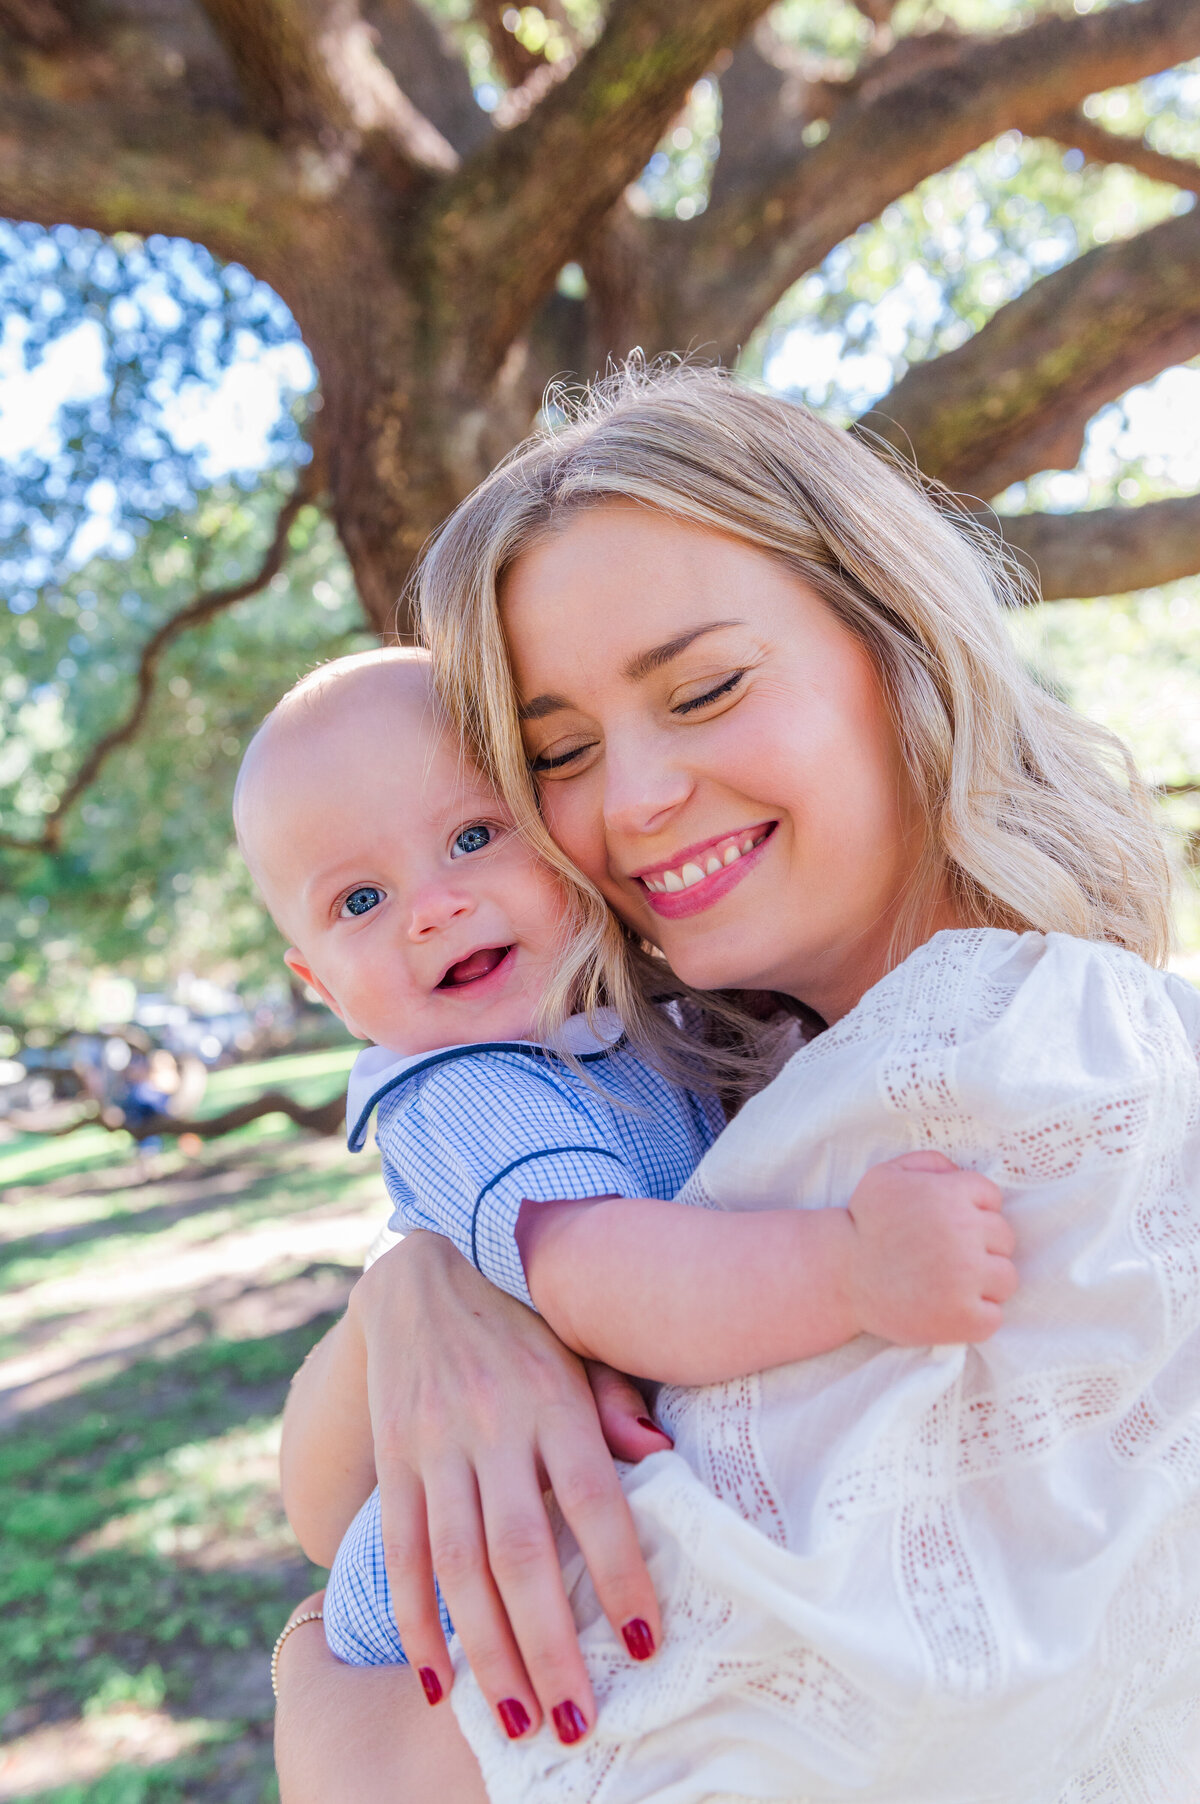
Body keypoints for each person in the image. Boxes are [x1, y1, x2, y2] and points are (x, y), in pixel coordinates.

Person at [274, 367, 1200, 1803]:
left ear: (895, 642)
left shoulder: (1055, 1062)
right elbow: (336, 1508)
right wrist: (430, 1284)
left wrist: (311, 1697)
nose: (630, 800)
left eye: (704, 688)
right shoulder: (739, 1088)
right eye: (558, 752)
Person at [235, 648, 1012, 1731]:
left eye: (471, 836)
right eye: (360, 898)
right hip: (476, 1586)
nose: (434, 907)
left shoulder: (628, 1025)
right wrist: (853, 1269)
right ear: (321, 986)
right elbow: (603, 1277)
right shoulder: (468, 1089)